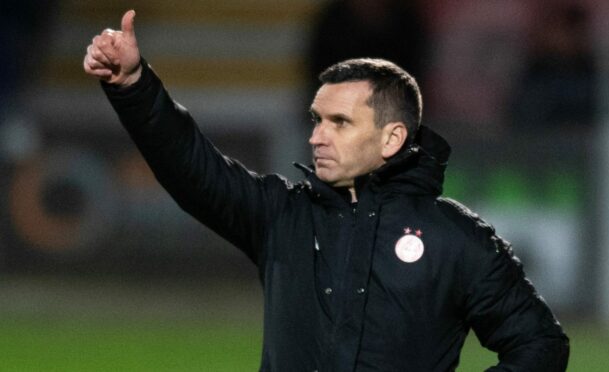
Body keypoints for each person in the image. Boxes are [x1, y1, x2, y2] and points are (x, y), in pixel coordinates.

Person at [83, 10, 569, 371]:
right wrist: (134, 85)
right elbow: (192, 168)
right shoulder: (282, 215)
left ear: (392, 138)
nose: (316, 135)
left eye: (339, 122)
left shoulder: (457, 239)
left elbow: (540, 346)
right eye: (317, 120)